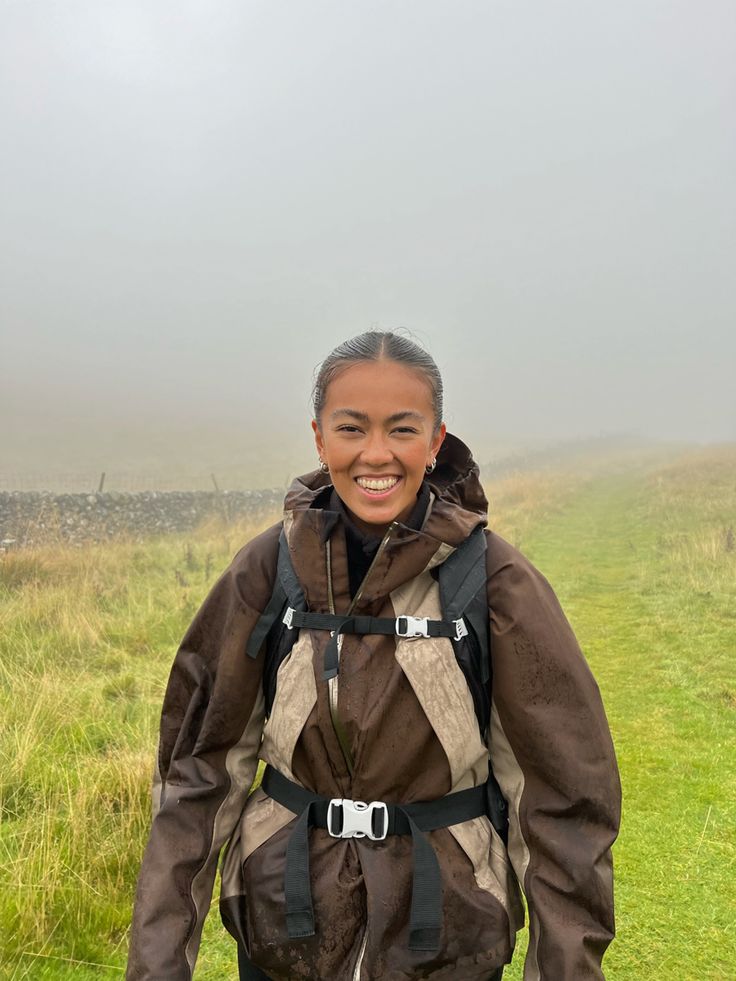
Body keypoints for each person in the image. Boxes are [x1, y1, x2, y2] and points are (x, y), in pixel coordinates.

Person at [126, 331, 621, 981]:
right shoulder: (265, 573)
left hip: (447, 938)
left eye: (403, 429)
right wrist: (158, 964)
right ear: (319, 436)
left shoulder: (495, 585)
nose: (377, 454)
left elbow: (563, 803)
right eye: (352, 428)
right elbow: (198, 779)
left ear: (437, 439)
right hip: (285, 931)